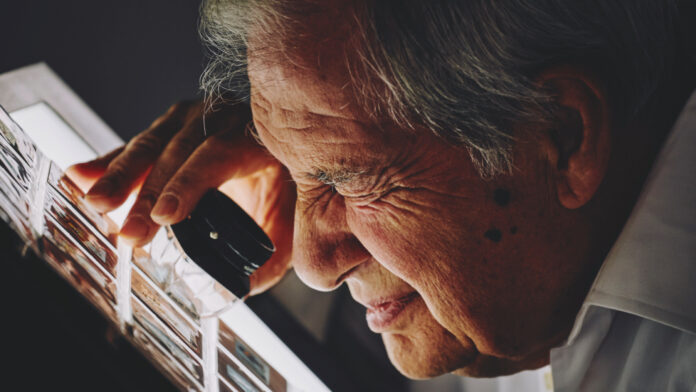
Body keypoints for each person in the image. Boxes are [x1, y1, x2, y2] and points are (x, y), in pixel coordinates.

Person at [67, 1, 696, 390]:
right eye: (291, 165)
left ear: (562, 137)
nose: (311, 267)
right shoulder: (498, 291)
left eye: (350, 178)